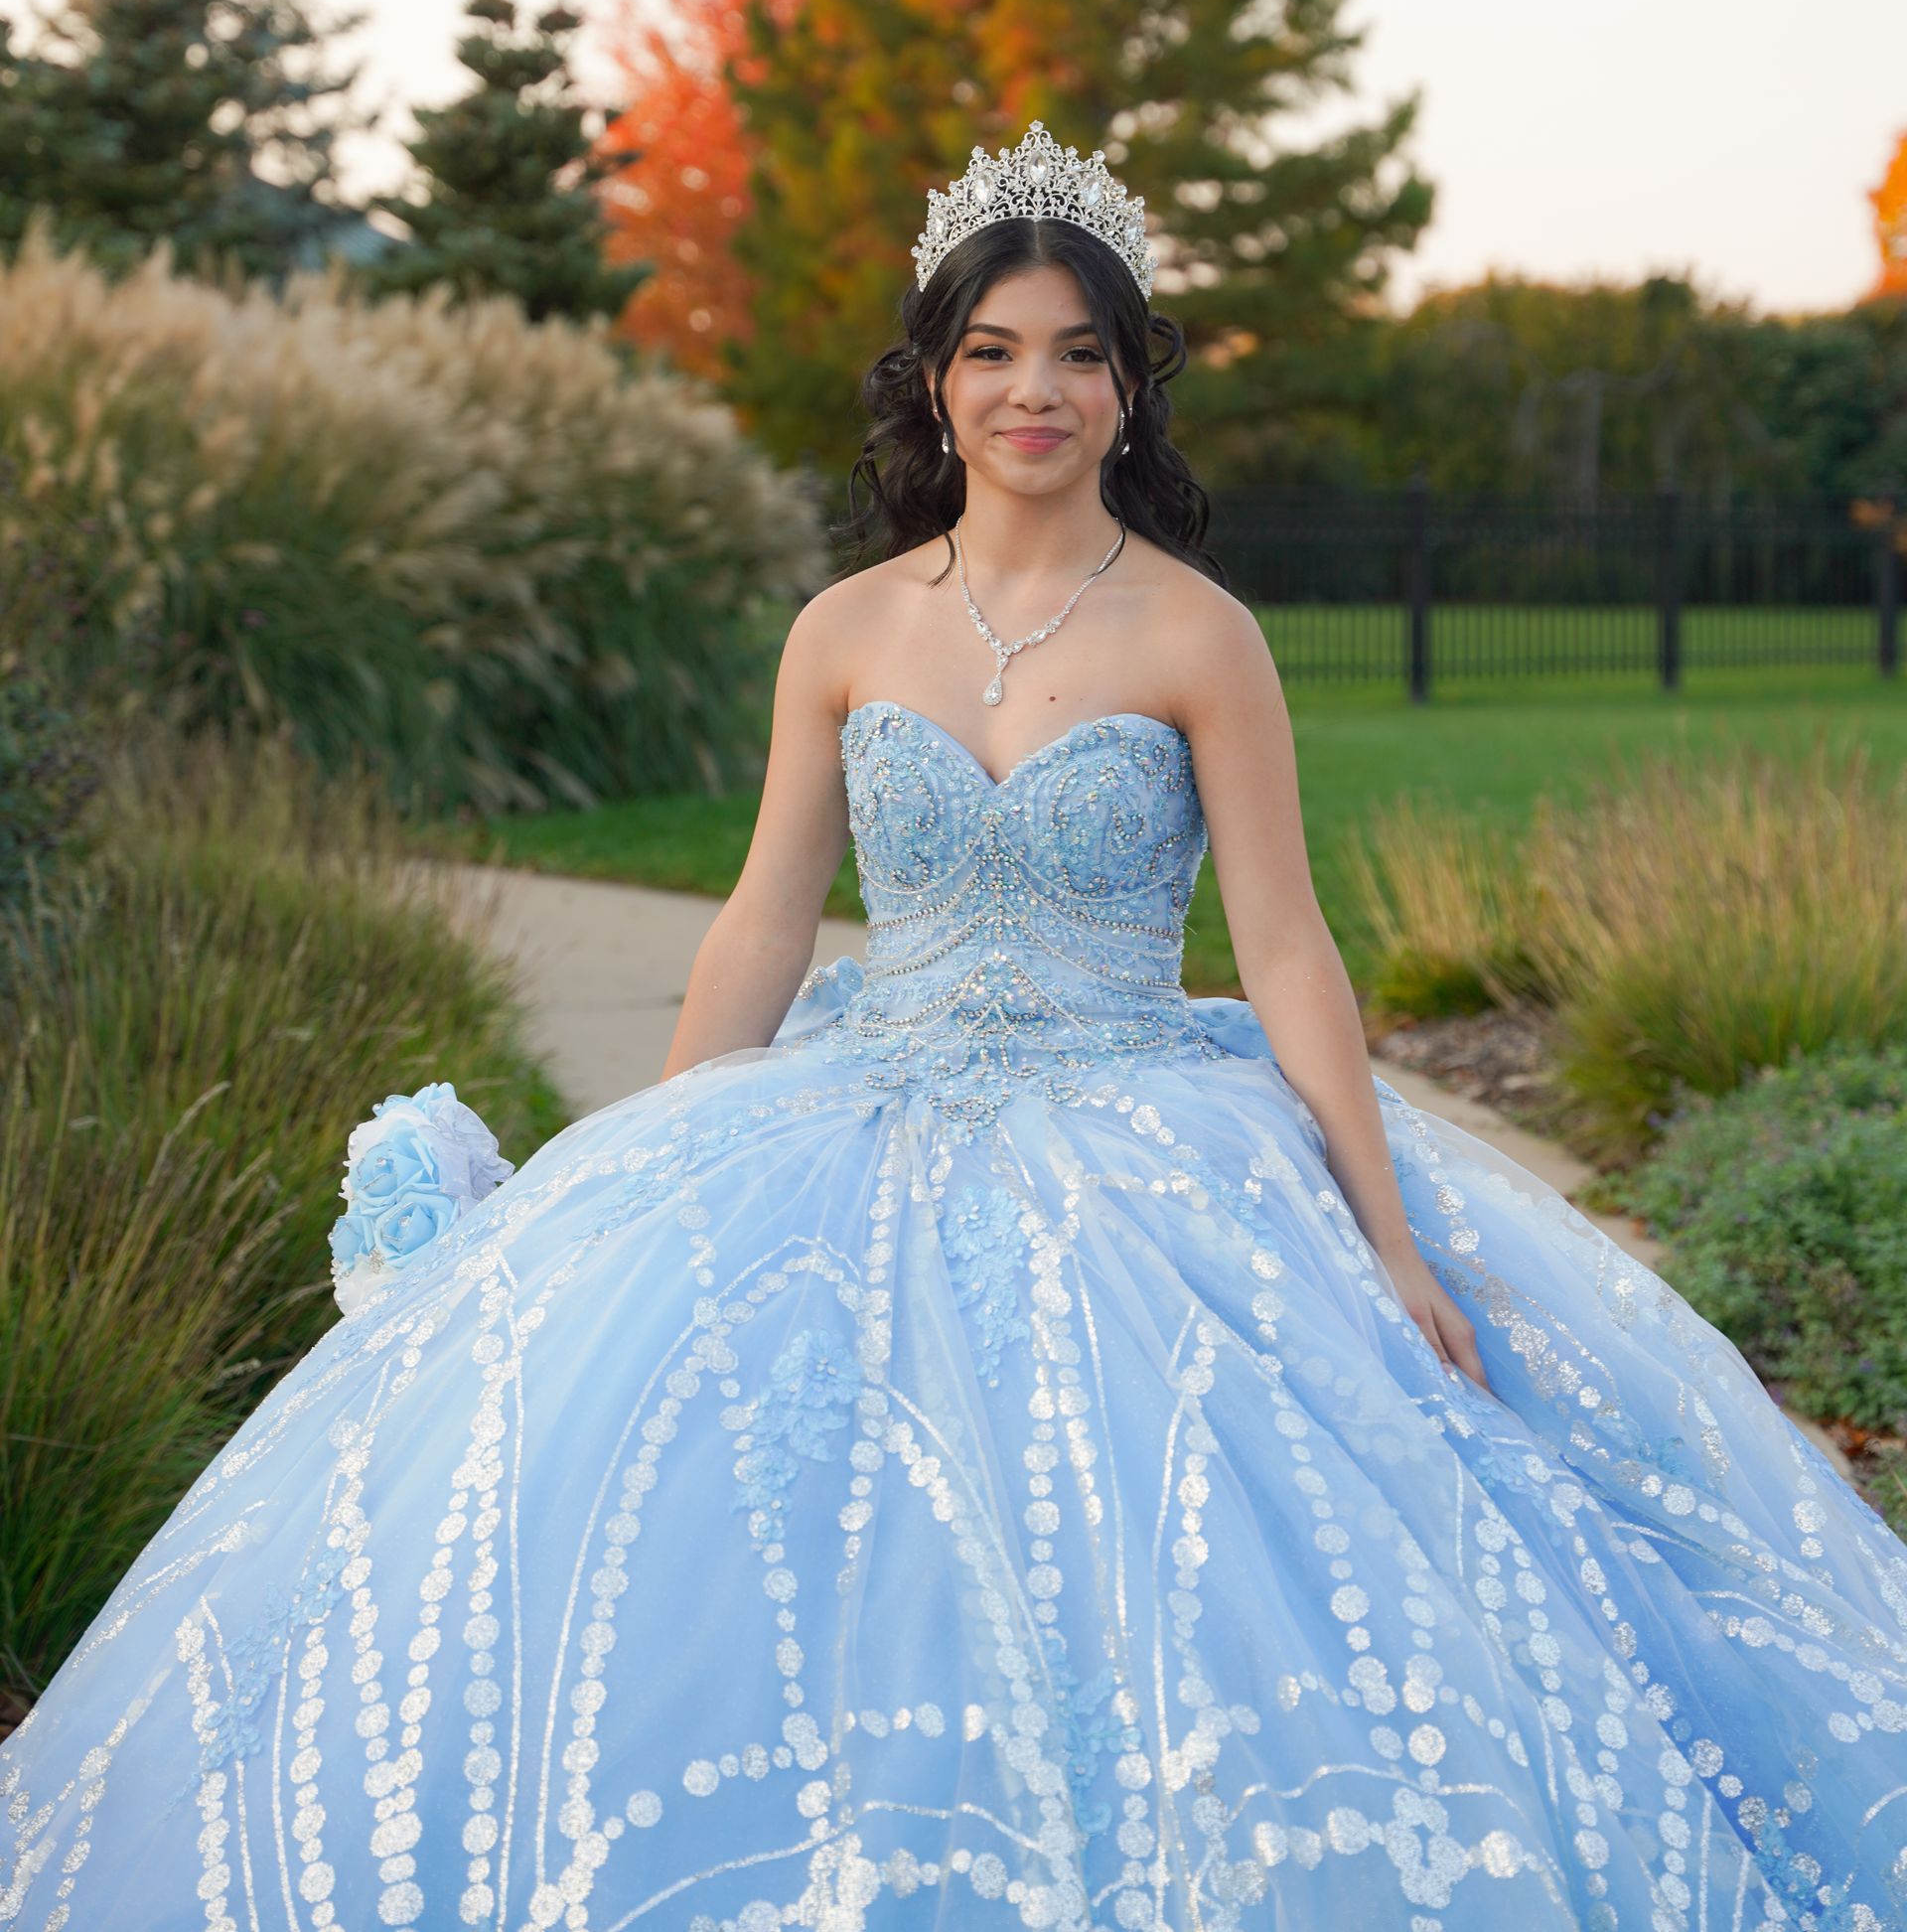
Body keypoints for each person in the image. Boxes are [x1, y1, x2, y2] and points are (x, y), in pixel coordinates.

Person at [4, 121, 1904, 1932]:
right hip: (866, 1097)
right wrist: (649, 1165)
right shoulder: (843, 631)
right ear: (935, 381)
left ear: (1131, 387)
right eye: (992, 351)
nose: (1034, 391)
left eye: (1078, 353)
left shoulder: (1199, 634)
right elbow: (766, 912)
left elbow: (1287, 945)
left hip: (1143, 1129)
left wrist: (1386, 1234)